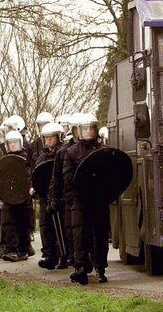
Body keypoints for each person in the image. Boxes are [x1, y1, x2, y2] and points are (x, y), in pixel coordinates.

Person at [66, 114, 110, 285]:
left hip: (99, 199)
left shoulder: (103, 149)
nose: (88, 132)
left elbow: (110, 174)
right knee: (80, 234)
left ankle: (100, 268)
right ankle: (81, 268)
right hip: (80, 198)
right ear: (79, 131)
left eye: (91, 128)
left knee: (100, 234)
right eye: (85, 129)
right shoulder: (71, 152)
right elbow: (68, 177)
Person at [36, 122, 66, 270]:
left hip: (60, 196)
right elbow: (37, 175)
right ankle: (49, 256)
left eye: (51, 137)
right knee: (45, 226)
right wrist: (33, 187)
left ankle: (64, 255)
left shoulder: (64, 153)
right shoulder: (42, 157)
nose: (48, 140)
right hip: (44, 196)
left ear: (58, 137)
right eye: (46, 137)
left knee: (61, 226)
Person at [0, 130, 33, 262]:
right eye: (10, 143)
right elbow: (0, 179)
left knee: (23, 223)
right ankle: (11, 250)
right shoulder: (4, 160)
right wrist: (0, 196)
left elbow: (30, 176)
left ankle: (24, 249)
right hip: (9, 196)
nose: (13, 145)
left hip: (24, 197)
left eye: (15, 142)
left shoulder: (26, 158)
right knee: (8, 222)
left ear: (20, 143)